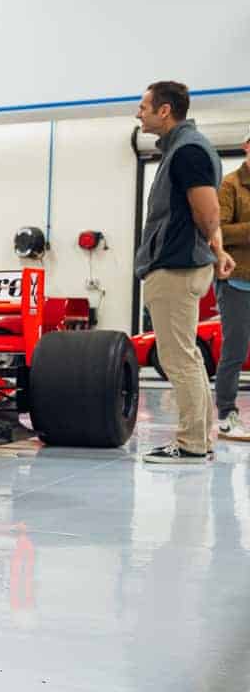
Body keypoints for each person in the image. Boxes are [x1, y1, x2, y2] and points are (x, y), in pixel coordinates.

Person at [134, 80, 235, 464]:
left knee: (178, 359)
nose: (138, 113)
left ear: (164, 111)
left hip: (176, 267)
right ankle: (199, 440)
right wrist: (218, 251)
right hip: (180, 264)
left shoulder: (188, 150)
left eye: (144, 107)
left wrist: (217, 249)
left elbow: (207, 210)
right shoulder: (182, 149)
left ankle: (191, 442)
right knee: (187, 357)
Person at [217, 132, 250, 440]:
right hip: (237, 280)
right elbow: (219, 232)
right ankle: (226, 414)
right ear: (247, 146)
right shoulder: (230, 184)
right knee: (235, 350)